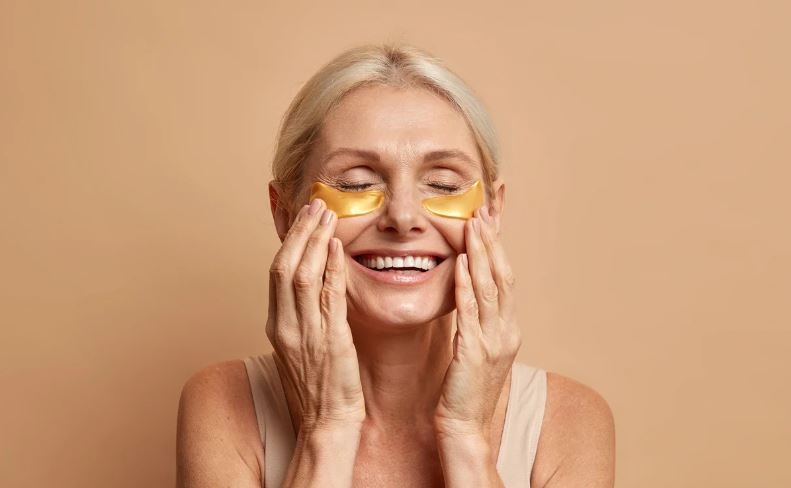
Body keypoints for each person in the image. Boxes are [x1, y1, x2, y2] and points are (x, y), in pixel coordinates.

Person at [176, 43, 615, 487]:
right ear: (285, 212)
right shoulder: (224, 404)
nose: (403, 217)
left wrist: (467, 438)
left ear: (493, 212)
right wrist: (326, 428)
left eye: (443, 184)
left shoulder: (569, 421)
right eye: (356, 182)